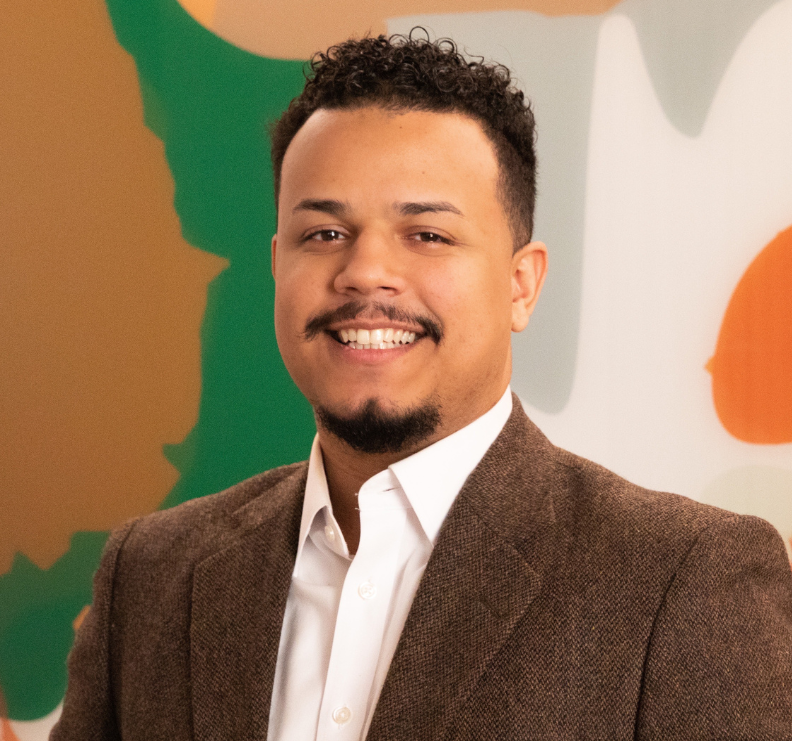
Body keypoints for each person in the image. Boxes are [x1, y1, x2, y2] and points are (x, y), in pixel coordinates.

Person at [52, 32, 792, 741]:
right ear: (277, 263)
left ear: (521, 284)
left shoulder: (682, 580)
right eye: (324, 233)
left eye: (427, 234)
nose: (366, 271)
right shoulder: (150, 575)